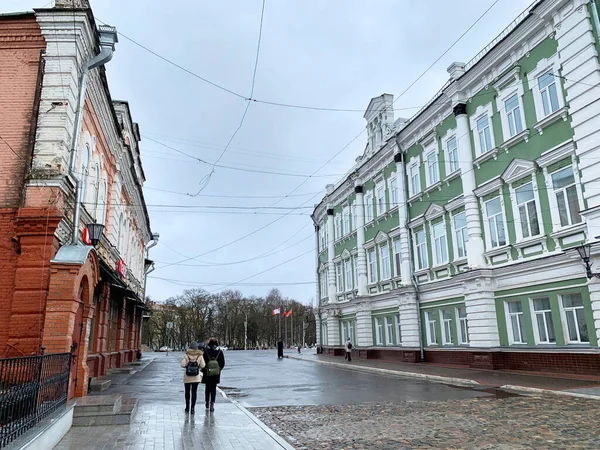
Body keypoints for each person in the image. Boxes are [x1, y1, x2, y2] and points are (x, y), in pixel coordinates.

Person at [180, 342, 205, 414]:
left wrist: (187, 365)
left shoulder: (186, 355)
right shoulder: (199, 355)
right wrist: (198, 367)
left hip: (187, 376)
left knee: (187, 392)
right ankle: (193, 408)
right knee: (194, 392)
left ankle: (187, 407)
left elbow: (182, 364)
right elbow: (203, 365)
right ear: (197, 347)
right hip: (196, 377)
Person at [202, 337, 225, 412]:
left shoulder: (206, 352)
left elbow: (203, 363)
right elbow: (222, 363)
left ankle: (207, 402)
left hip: (207, 373)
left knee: (207, 388)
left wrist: (204, 370)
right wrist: (218, 370)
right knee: (213, 388)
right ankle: (212, 404)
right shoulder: (220, 352)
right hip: (216, 374)